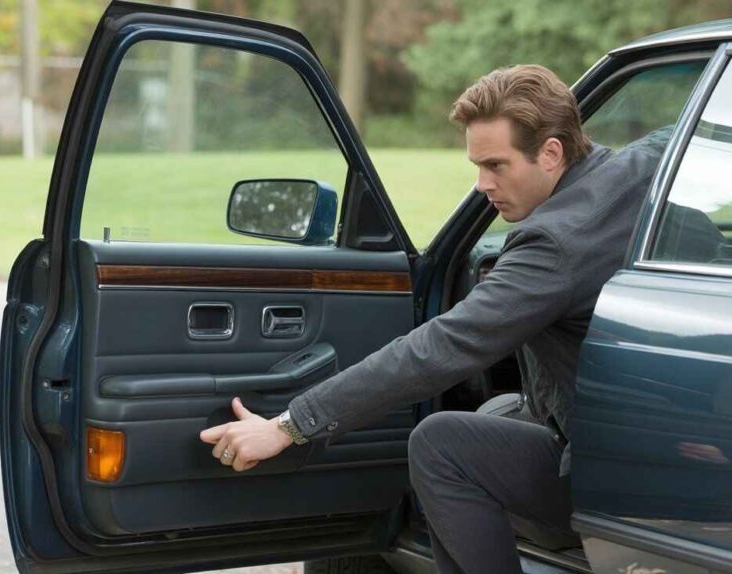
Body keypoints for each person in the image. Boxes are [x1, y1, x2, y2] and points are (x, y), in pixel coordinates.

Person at [199, 64, 665, 573]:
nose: (482, 184)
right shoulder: (651, 167)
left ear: (551, 153)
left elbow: (441, 346)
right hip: (672, 449)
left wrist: (290, 426)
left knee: (442, 444)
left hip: (619, 476)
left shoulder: (554, 243)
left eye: (496, 165)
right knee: (499, 412)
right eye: (476, 165)